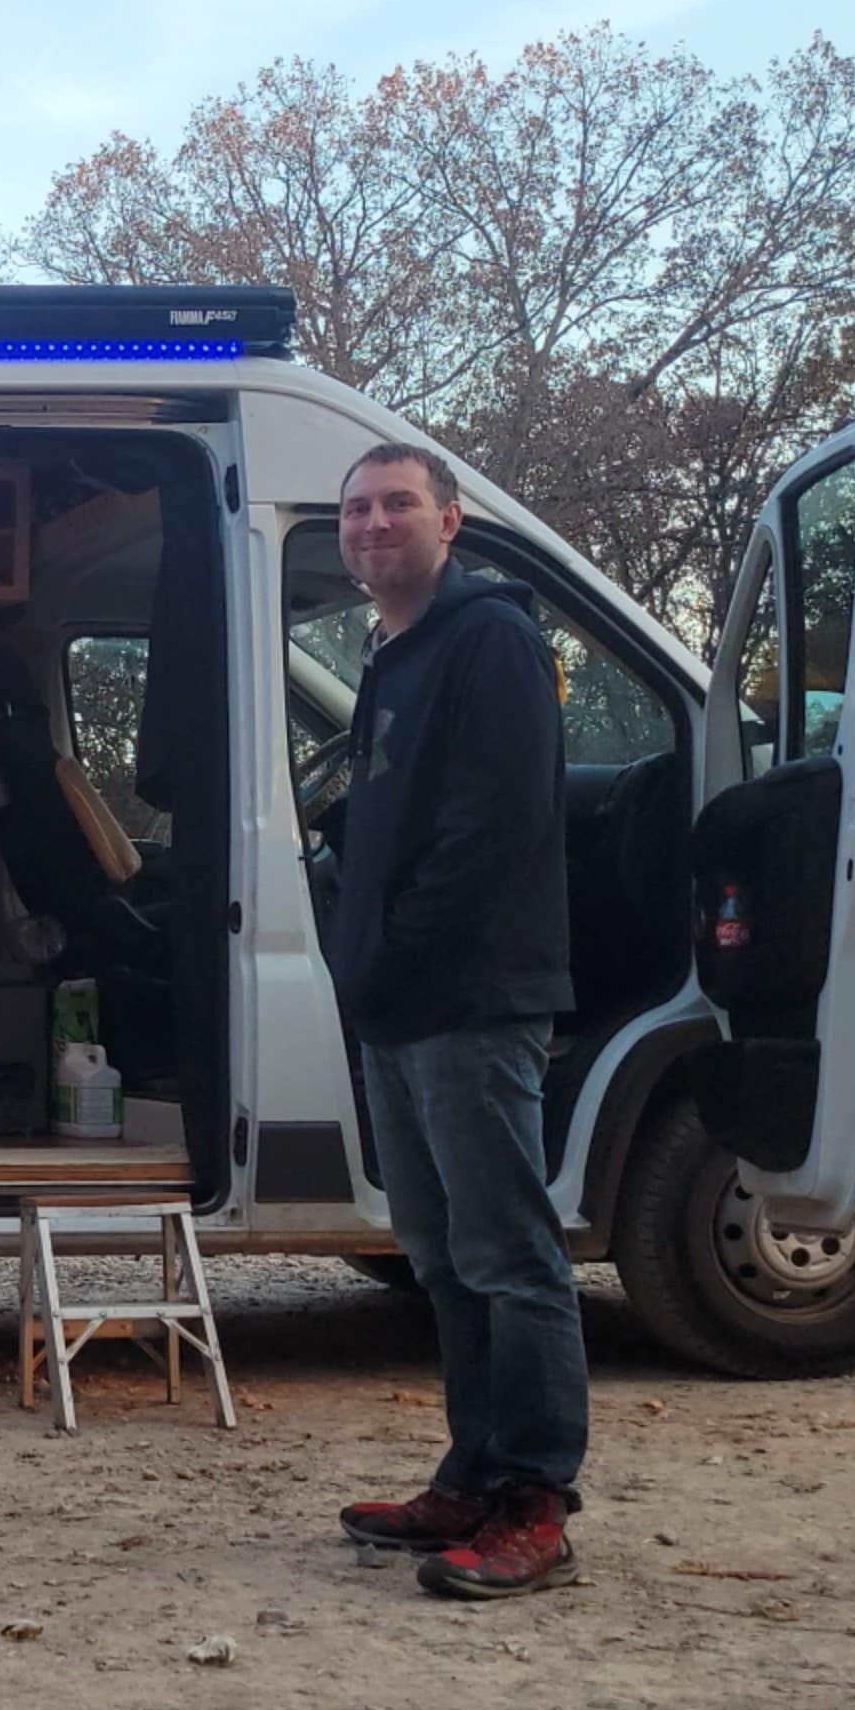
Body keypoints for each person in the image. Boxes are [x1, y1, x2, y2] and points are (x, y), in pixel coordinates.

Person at [322, 443, 587, 1600]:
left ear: (451, 519)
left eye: (397, 505)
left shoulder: (491, 639)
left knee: (510, 1257)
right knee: (439, 1256)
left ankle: (535, 1506)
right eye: (357, 509)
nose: (374, 524)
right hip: (401, 1007)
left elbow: (489, 835)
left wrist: (393, 951)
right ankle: (471, 1476)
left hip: (473, 1003)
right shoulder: (390, 650)